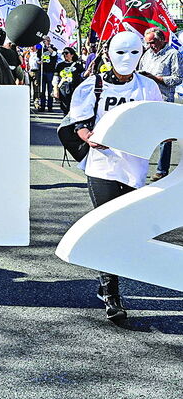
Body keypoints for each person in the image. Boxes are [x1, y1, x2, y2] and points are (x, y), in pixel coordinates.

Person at [68, 31, 162, 321]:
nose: (127, 59)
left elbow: (159, 120)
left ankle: (108, 284)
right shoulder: (91, 86)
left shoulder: (148, 86)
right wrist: (90, 137)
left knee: (126, 230)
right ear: (108, 53)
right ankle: (111, 292)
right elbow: (78, 124)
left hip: (134, 170)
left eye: (134, 53)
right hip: (102, 167)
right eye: (120, 53)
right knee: (109, 225)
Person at [137, 27, 183, 180]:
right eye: (149, 43)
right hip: (146, 99)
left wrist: (156, 78)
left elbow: (177, 78)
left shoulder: (173, 54)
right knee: (142, 134)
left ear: (162, 40)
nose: (151, 46)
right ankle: (138, 168)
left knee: (165, 138)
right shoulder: (147, 55)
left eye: (154, 42)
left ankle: (162, 170)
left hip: (164, 100)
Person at [52, 47, 84, 113]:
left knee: (74, 107)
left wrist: (90, 69)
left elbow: (83, 75)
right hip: (63, 88)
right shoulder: (60, 65)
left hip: (75, 88)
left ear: (72, 55)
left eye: (66, 53)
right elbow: (55, 78)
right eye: (63, 53)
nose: (65, 55)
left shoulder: (78, 65)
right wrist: (55, 89)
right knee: (65, 107)